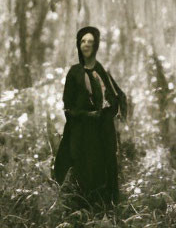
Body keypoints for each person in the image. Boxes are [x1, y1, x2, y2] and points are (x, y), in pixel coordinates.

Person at [53, 26, 127, 206]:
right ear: (78, 45)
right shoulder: (74, 72)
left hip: (103, 131)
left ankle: (105, 211)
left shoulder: (102, 71)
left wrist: (110, 113)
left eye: (90, 42)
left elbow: (117, 96)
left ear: (96, 46)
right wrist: (87, 115)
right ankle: (81, 212)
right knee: (83, 171)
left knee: (104, 169)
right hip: (82, 132)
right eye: (83, 41)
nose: (86, 45)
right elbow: (68, 106)